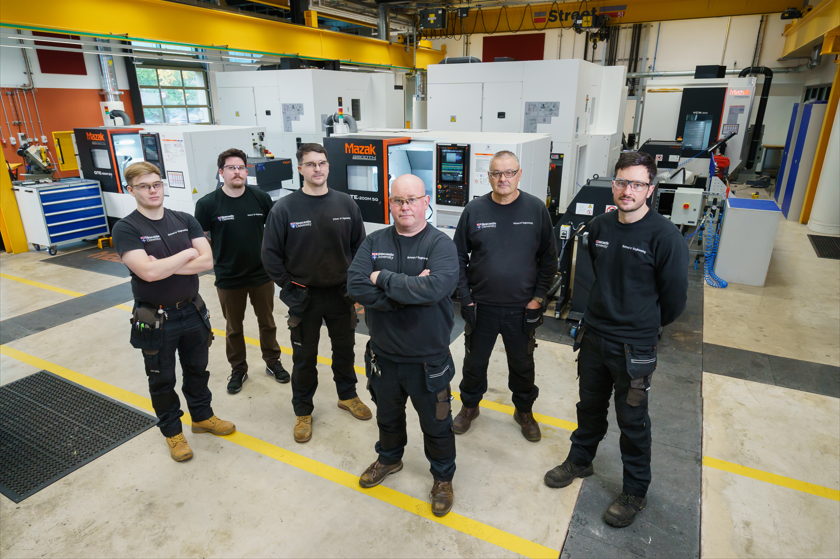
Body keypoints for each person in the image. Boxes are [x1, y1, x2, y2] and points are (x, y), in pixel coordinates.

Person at [544, 151, 688, 528]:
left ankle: (635, 490)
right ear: (614, 184)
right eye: (622, 182)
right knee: (589, 407)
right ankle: (580, 460)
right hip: (594, 337)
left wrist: (642, 324)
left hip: (634, 348)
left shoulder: (665, 237)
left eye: (637, 184)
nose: (628, 190)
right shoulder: (600, 227)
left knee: (632, 420)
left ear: (650, 189)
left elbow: (673, 302)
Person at [347, 174, 459, 517]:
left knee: (437, 424)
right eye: (398, 200)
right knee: (388, 416)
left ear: (426, 202)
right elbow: (355, 285)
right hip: (384, 356)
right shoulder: (374, 241)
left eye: (412, 199)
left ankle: (442, 477)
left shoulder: (440, 244)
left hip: (428, 360)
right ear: (390, 203)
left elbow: (435, 289)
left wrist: (382, 279)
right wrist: (405, 295)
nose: (405, 206)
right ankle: (389, 458)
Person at [112, 162, 236, 462]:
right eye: (143, 186)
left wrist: (162, 264)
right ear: (131, 190)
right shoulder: (126, 228)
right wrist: (186, 254)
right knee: (162, 379)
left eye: (156, 184)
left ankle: (202, 417)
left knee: (198, 370)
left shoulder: (184, 219)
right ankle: (172, 432)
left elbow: (207, 262)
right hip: (155, 318)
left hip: (192, 311)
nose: (152, 191)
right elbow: (148, 274)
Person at [262, 143, 370, 443]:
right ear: (300, 169)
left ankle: (347, 396)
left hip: (340, 295)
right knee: (304, 358)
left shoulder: (346, 205)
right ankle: (303, 410)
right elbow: (271, 256)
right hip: (303, 298)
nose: (317, 169)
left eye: (321, 163)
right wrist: (290, 286)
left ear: (328, 166)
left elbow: (359, 249)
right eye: (310, 164)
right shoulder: (284, 208)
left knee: (345, 351)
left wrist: (353, 284)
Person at [452, 150, 557, 442]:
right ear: (489, 177)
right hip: (481, 307)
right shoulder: (475, 210)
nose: (503, 179)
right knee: (474, 363)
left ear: (519, 174)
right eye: (497, 173)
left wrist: (538, 298)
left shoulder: (536, 209)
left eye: (509, 172)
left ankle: (524, 411)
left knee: (522, 365)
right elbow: (458, 256)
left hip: (522, 309)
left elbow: (549, 259)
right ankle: (470, 407)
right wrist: (466, 298)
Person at [195, 148, 289, 395]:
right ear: (221, 172)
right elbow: (201, 239)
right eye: (231, 168)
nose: (237, 172)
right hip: (228, 278)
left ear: (246, 171)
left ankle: (272, 361)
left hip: (261, 275)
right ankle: (238, 368)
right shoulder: (207, 204)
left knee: (267, 322)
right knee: (233, 328)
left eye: (241, 168)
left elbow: (273, 233)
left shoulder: (260, 198)